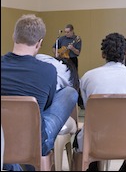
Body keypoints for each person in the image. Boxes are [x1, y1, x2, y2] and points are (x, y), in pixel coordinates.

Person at [1, 14, 78, 171]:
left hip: (3, 137)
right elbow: (46, 106)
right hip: (34, 141)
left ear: (13, 35)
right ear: (39, 43)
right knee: (69, 92)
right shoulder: (48, 70)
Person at [73, 32, 126, 170]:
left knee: (85, 133)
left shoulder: (88, 78)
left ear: (103, 54)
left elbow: (87, 107)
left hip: (95, 142)